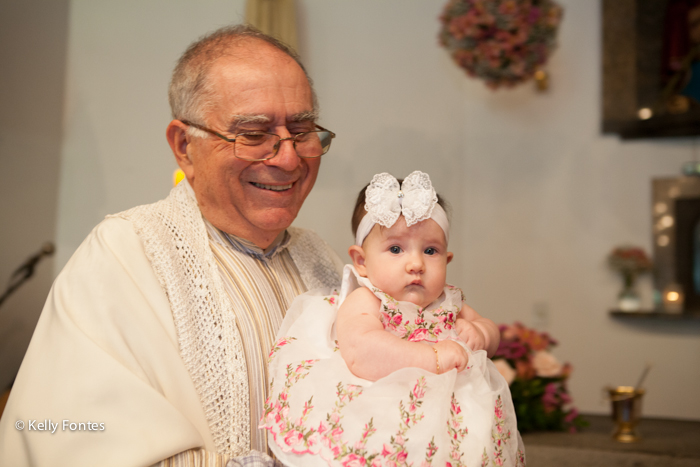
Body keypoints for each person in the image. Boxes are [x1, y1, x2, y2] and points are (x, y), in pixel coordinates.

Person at [0, 25, 343, 466]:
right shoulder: (123, 256)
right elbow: (71, 440)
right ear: (184, 146)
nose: (289, 157)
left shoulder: (324, 263)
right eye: (254, 134)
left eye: (301, 130)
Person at [261, 171, 526, 467]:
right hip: (387, 417)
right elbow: (363, 351)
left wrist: (481, 333)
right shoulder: (367, 300)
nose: (416, 264)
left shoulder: (450, 301)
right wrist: (432, 357)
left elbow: (491, 332)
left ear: (447, 259)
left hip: (452, 419)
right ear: (361, 261)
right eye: (396, 249)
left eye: (430, 251)